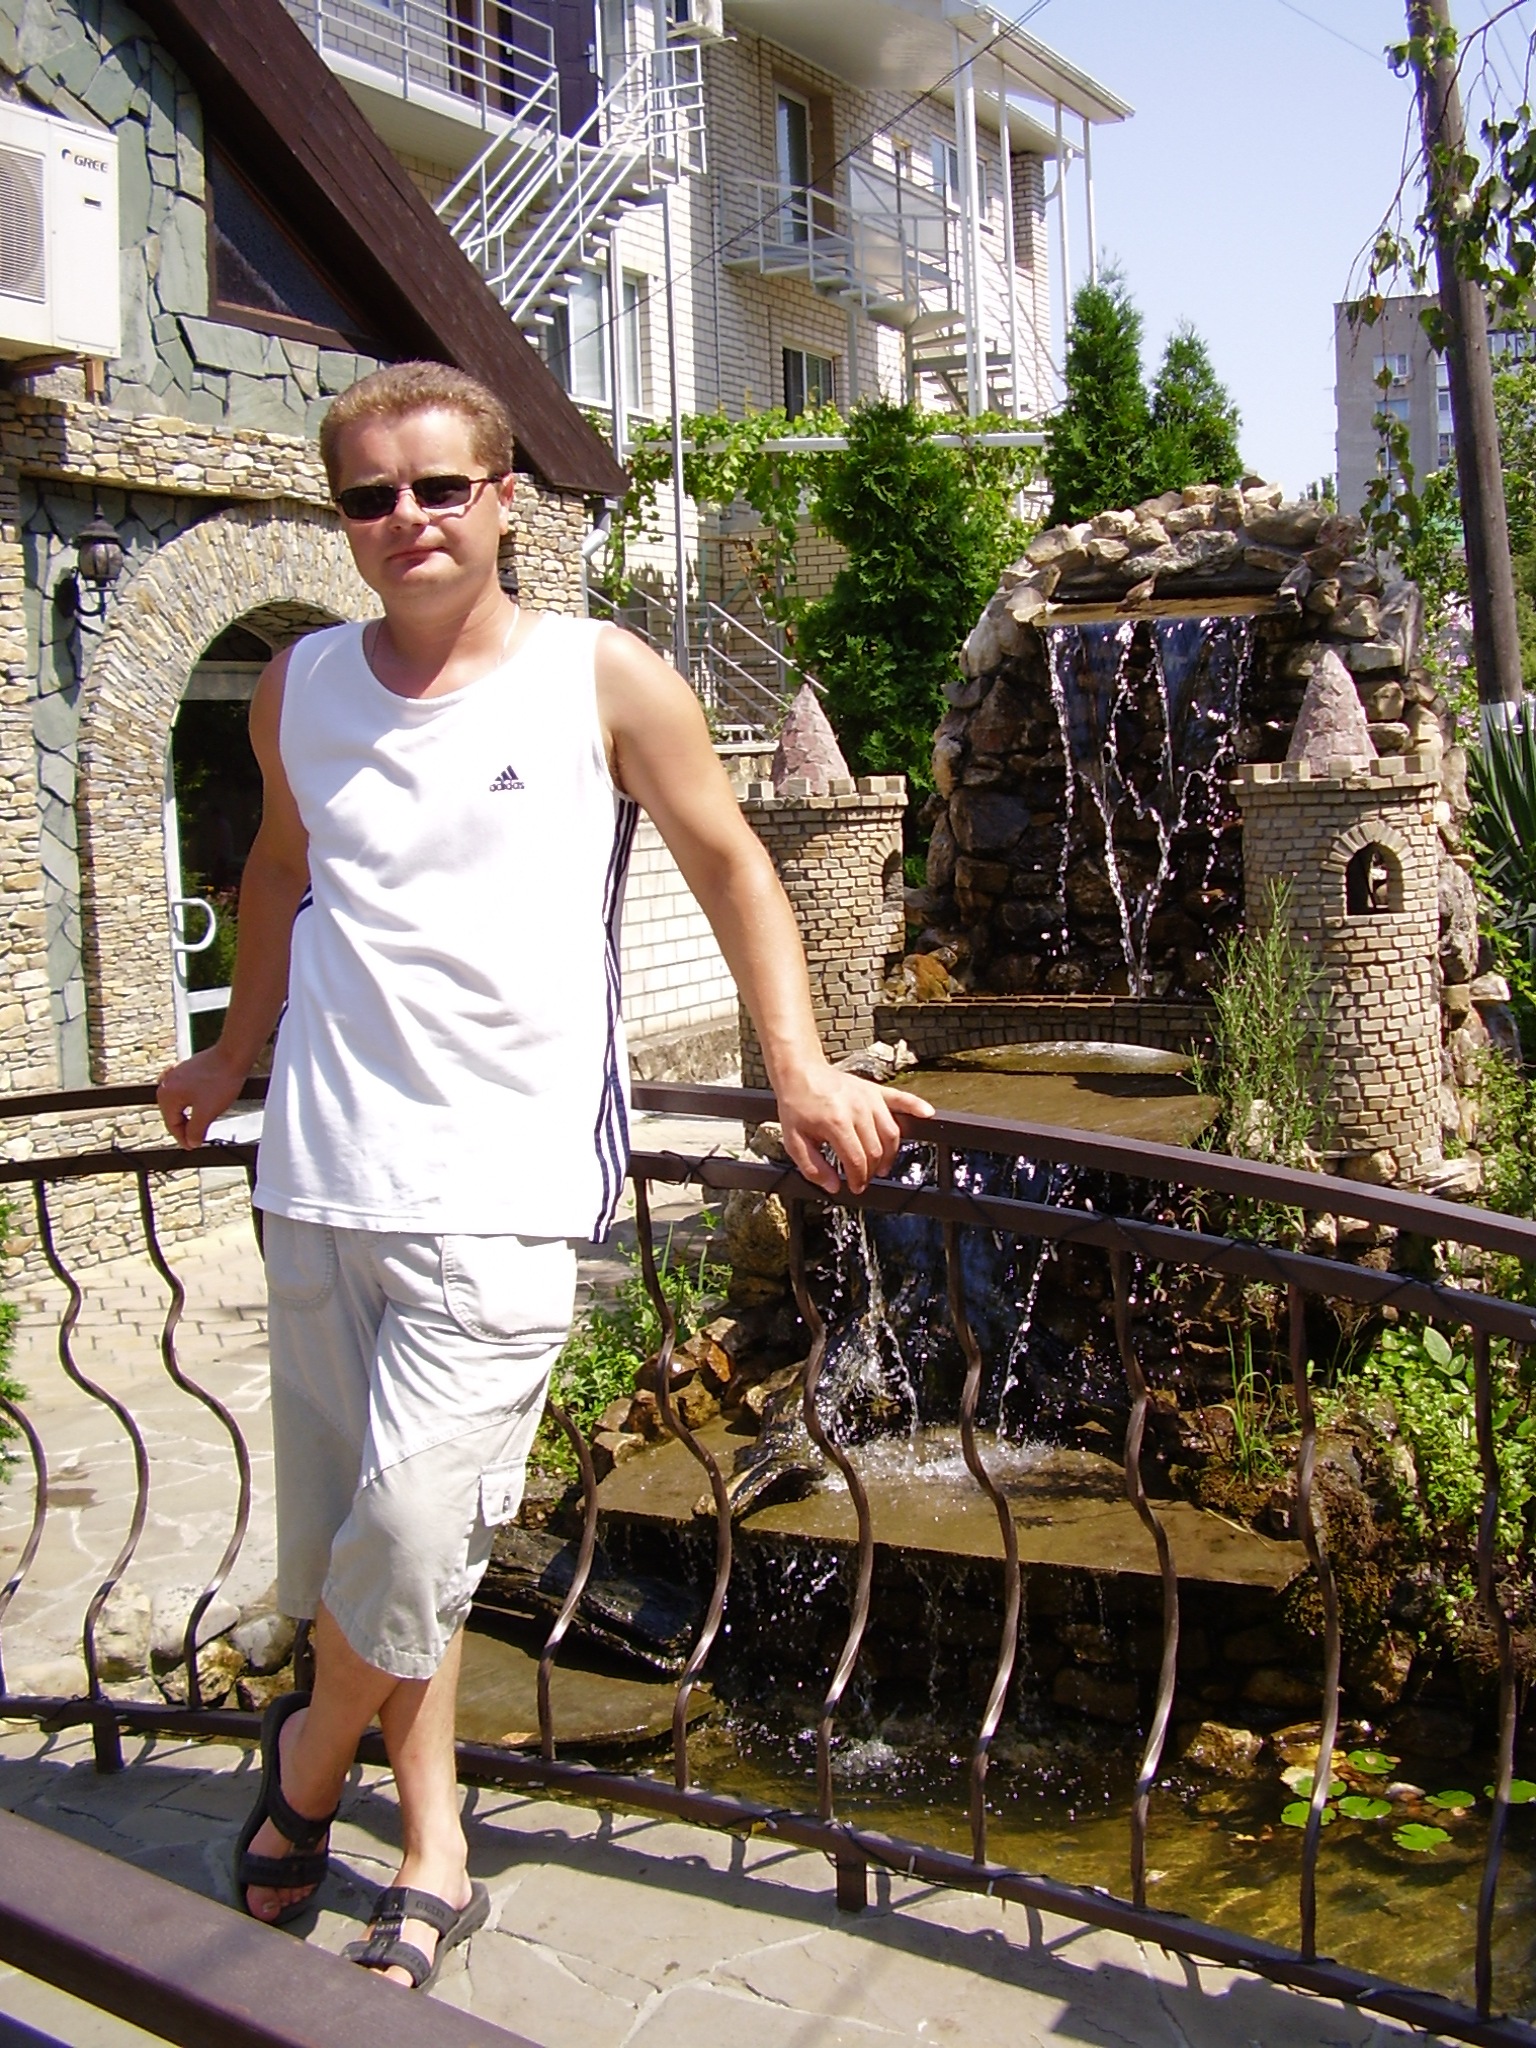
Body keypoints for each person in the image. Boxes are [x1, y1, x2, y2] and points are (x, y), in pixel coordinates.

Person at [156, 360, 930, 1991]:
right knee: (381, 1545)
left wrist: (798, 1067)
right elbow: (279, 871)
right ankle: (432, 1850)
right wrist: (231, 1055)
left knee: (409, 1528)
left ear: (505, 499)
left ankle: (307, 1763)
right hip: (320, 1174)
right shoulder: (298, 684)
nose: (408, 519)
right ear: (344, 518)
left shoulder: (602, 674)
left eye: (441, 486)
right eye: (371, 496)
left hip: (503, 1189)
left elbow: (732, 860)